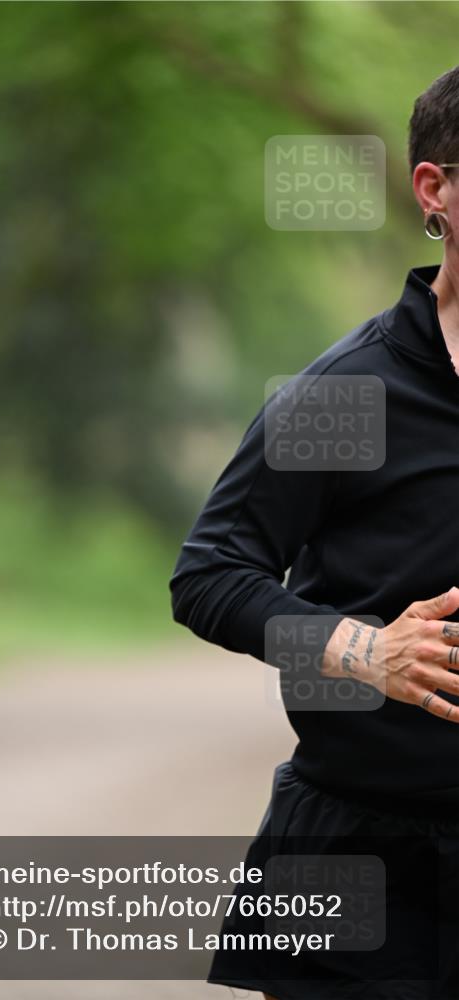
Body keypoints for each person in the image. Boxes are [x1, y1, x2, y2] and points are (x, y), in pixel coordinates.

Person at [170, 67, 459, 1000]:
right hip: (361, 868)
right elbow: (209, 574)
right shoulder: (347, 396)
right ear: (434, 189)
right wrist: (360, 650)